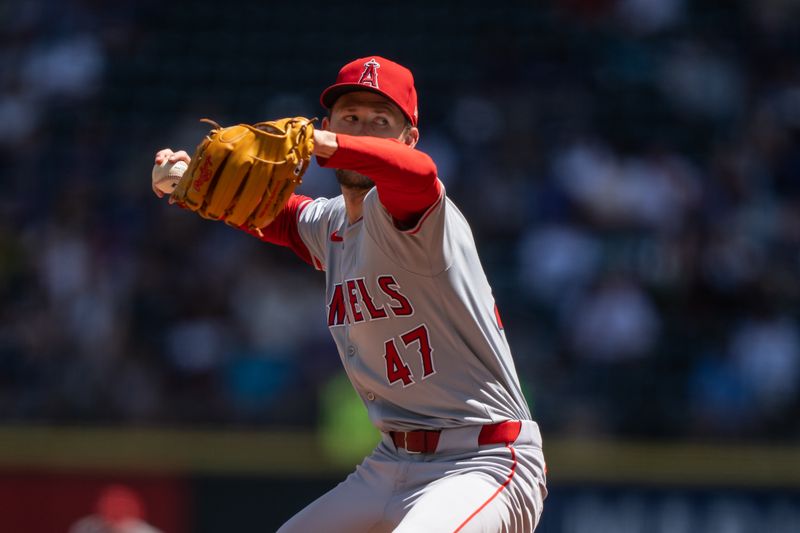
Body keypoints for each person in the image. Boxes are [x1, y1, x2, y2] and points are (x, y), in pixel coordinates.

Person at [155, 55, 547, 532]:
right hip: (389, 463)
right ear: (327, 122)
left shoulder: (418, 213)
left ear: (408, 138)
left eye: (380, 122)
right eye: (351, 118)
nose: (363, 130)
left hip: (482, 459)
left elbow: (417, 176)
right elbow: (271, 213)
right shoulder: (331, 224)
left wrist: (328, 144)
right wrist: (187, 178)